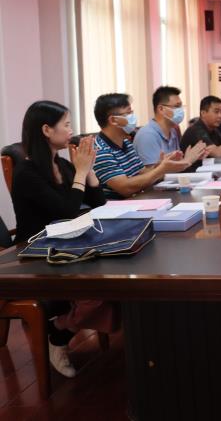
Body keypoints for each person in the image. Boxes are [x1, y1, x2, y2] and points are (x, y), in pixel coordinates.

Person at [11, 101, 117, 378]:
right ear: (47, 130)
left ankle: (60, 329)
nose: (71, 130)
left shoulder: (62, 165)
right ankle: (58, 334)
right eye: (66, 124)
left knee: (117, 281)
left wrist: (88, 169)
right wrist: (80, 172)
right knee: (98, 292)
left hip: (68, 245)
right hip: (37, 252)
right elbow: (67, 212)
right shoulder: (27, 173)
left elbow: (99, 203)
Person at [93, 93, 190, 198]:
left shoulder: (125, 142)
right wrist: (161, 169)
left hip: (139, 199)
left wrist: (160, 165)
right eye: (128, 113)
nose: (133, 117)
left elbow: (142, 173)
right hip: (119, 205)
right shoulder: (100, 151)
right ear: (113, 120)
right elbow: (125, 188)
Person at [133, 86, 207, 168]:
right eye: (177, 106)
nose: (181, 110)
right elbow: (153, 173)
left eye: (181, 106)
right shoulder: (147, 135)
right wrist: (187, 160)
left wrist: (194, 157)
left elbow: (175, 165)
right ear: (161, 109)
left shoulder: (172, 131)